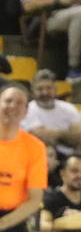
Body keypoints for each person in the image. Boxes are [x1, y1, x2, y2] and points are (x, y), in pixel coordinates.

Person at [0, 82, 47, 230]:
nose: (13, 106)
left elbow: (35, 199)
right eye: (8, 101)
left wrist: (3, 224)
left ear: (26, 111)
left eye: (19, 103)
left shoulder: (35, 147)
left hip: (14, 220)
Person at [20, 70, 81, 153]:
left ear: (55, 89)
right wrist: (65, 135)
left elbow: (79, 137)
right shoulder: (26, 110)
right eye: (40, 89)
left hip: (68, 158)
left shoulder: (69, 108)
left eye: (49, 88)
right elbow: (34, 138)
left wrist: (56, 133)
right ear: (32, 91)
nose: (45, 92)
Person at [40, 154, 81, 225]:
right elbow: (43, 225)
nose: (80, 175)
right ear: (62, 173)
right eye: (74, 171)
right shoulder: (50, 199)